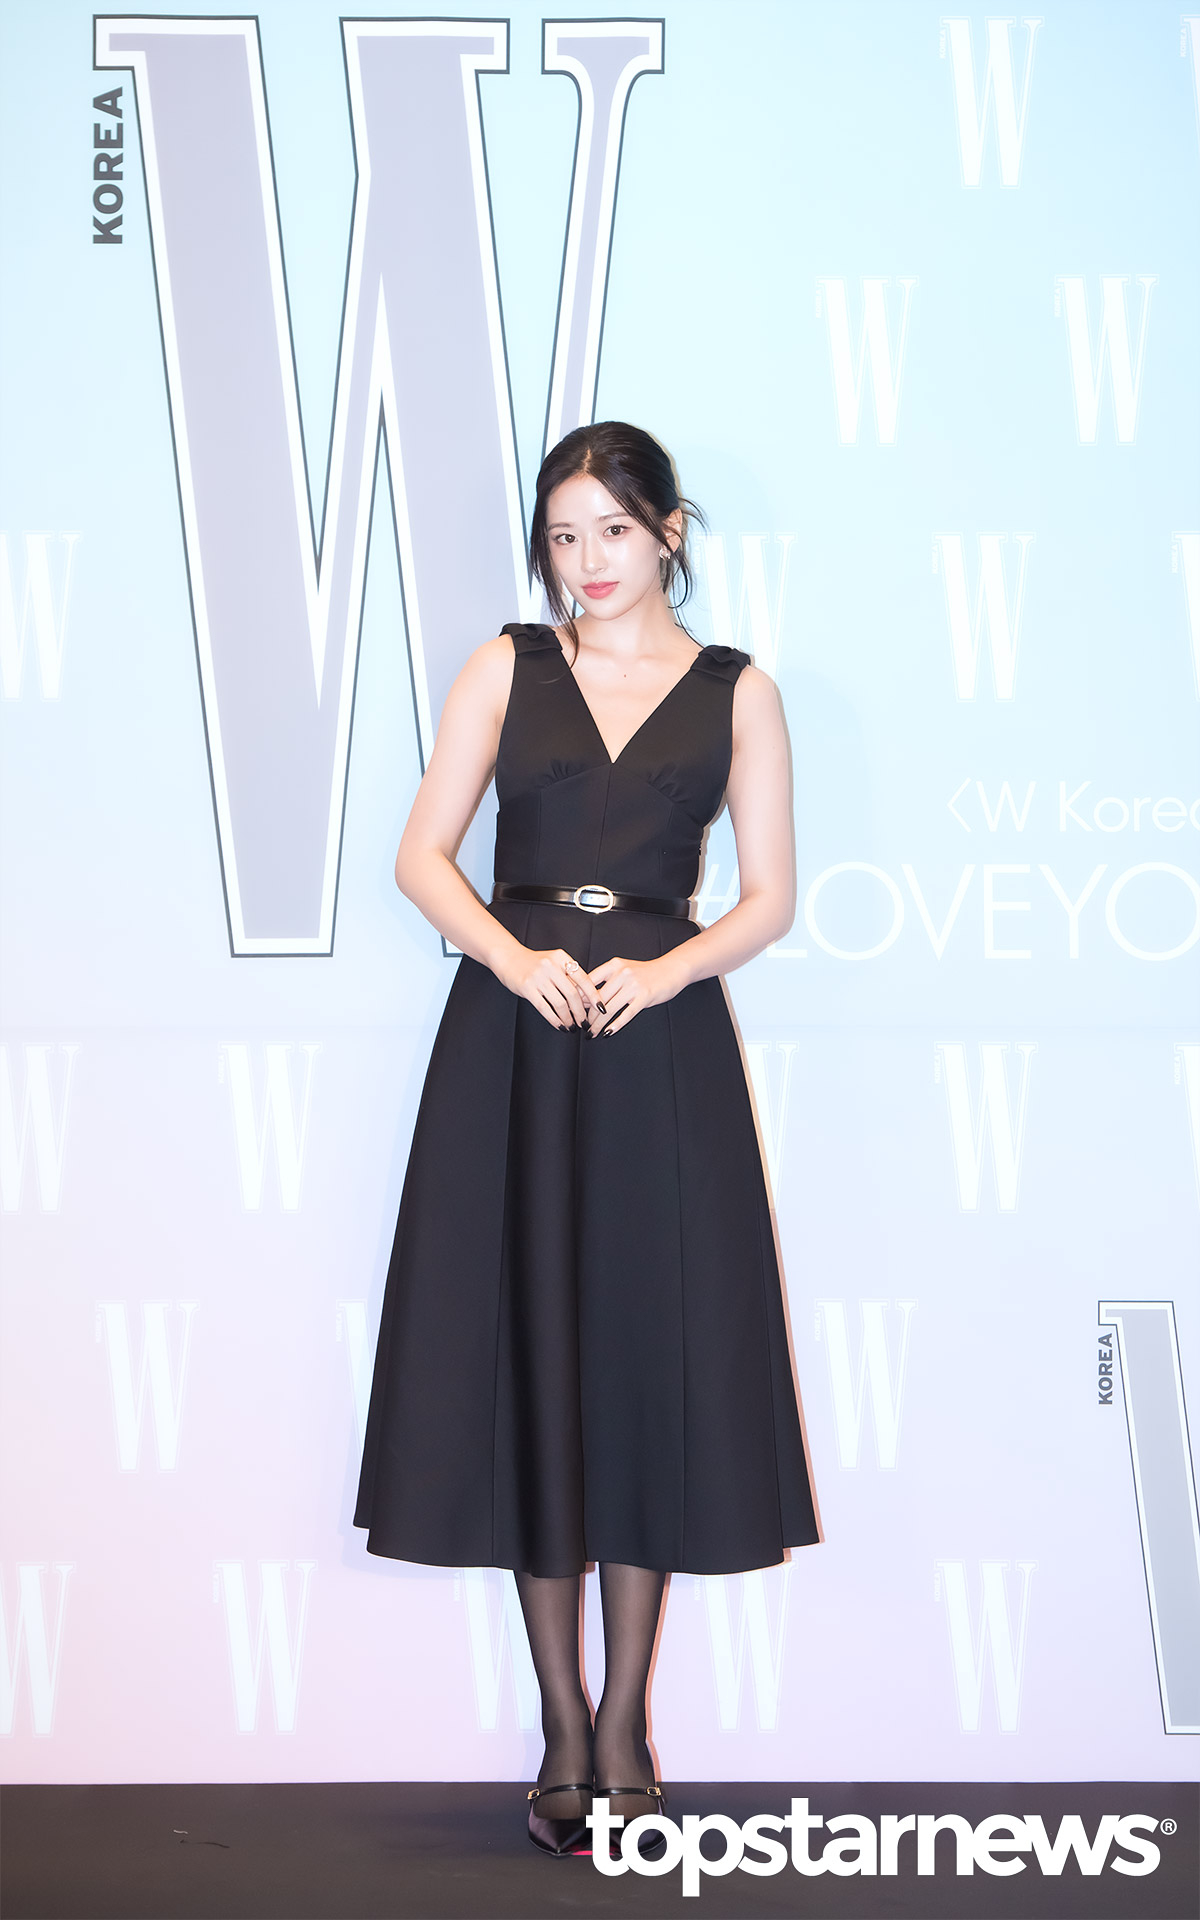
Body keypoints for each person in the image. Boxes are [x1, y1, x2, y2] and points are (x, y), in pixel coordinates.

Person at [354, 421, 819, 1856]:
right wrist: (510, 958)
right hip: (515, 1046)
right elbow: (421, 854)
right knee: (536, 1354)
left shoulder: (740, 692)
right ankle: (563, 1723)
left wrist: (669, 972)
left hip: (660, 1049)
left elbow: (768, 896)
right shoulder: (506, 666)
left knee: (643, 1358)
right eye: (563, 535)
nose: (587, 560)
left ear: (669, 531)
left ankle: (627, 1721)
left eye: (612, 529)